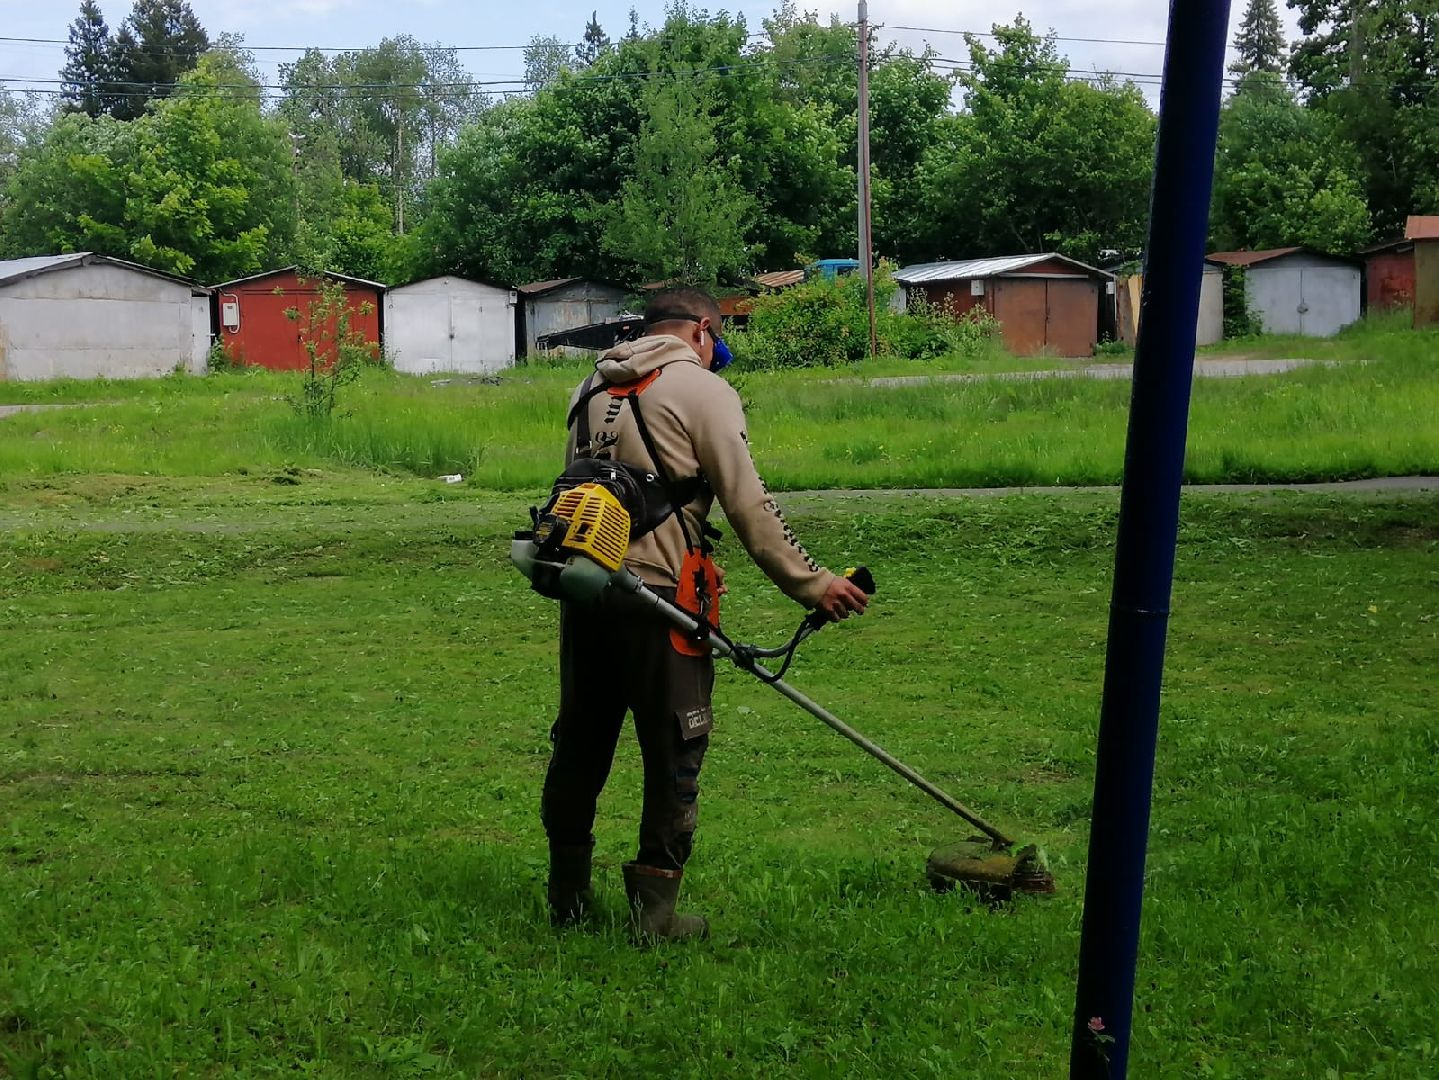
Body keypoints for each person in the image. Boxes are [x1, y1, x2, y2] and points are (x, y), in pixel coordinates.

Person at [540, 286, 868, 942]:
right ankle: (654, 916)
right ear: (703, 329)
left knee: (580, 742)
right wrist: (813, 585)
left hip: (586, 589)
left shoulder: (590, 385)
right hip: (663, 601)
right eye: (716, 339)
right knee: (675, 751)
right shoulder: (702, 390)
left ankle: (567, 897)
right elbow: (748, 506)